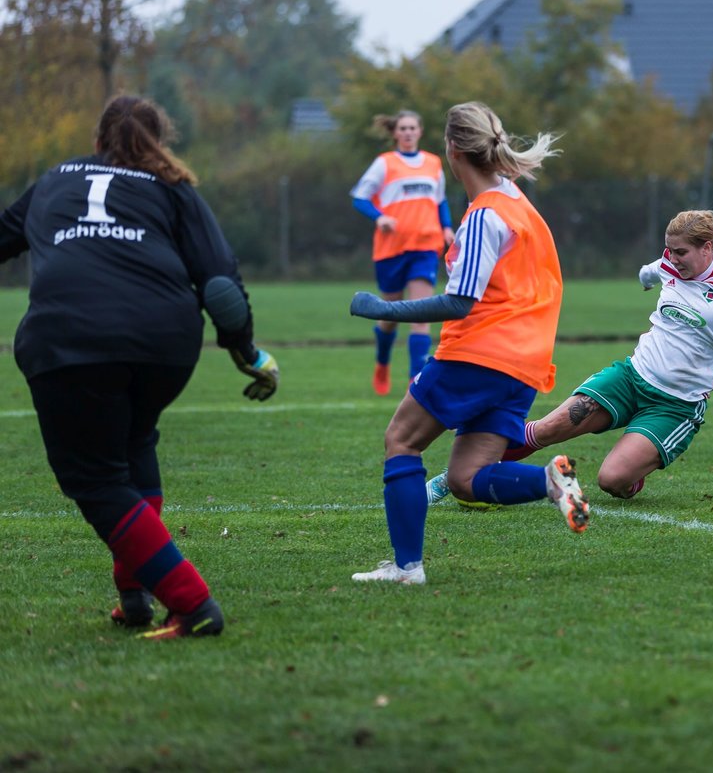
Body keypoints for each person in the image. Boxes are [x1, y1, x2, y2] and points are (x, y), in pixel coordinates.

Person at [0, 95, 280, 638]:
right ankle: (134, 599)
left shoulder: (56, 179)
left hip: (71, 340)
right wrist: (246, 351)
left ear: (97, 140)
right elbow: (220, 287)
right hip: (166, 346)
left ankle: (193, 603)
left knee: (95, 479)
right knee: (132, 444)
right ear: (159, 141)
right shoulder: (173, 186)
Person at [347, 101, 588, 585]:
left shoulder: (485, 215)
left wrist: (385, 310)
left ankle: (406, 567)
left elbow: (460, 302)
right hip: (525, 364)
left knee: (401, 440)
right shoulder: (519, 203)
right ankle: (550, 480)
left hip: (478, 354)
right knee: (466, 478)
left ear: (452, 151)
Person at [451, 209, 713, 502]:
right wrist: (646, 279)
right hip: (631, 377)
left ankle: (634, 474)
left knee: (611, 480)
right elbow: (649, 271)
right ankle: (469, 474)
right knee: (544, 429)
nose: (673, 258)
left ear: (707, 247)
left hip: (676, 404)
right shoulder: (669, 265)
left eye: (681, 252)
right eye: (669, 250)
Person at [350, 110, 455, 396]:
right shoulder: (385, 164)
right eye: (403, 128)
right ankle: (382, 362)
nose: (408, 132)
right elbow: (359, 197)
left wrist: (446, 227)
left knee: (420, 312)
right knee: (390, 314)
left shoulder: (433, 163)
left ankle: (414, 380)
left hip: (425, 245)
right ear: (395, 133)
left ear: (420, 131)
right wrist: (379, 217)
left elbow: (440, 201)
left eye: (412, 128)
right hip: (391, 248)